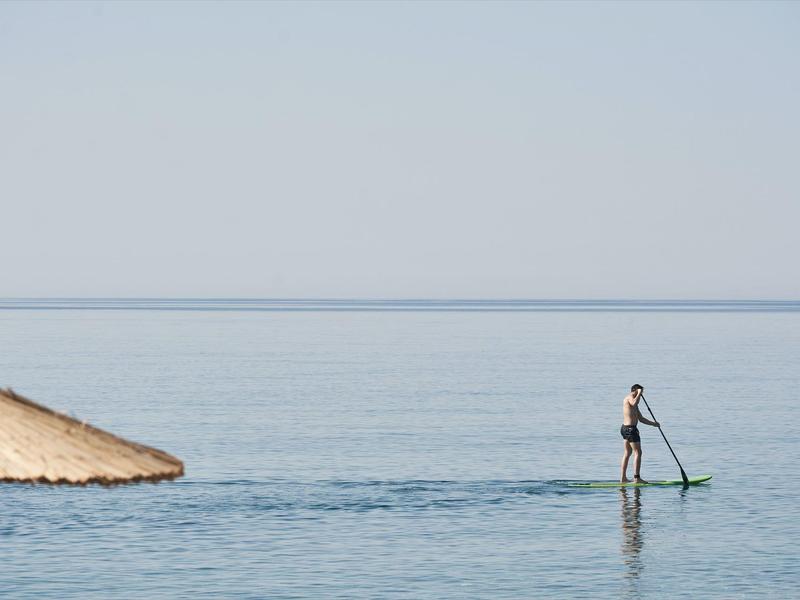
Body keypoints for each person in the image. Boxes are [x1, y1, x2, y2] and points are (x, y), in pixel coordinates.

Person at [620, 384, 659, 483]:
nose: (641, 396)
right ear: (635, 391)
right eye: (640, 394)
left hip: (626, 429)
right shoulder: (630, 398)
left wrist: (654, 424)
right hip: (630, 430)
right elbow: (633, 403)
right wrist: (639, 392)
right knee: (638, 453)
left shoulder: (634, 404)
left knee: (628, 453)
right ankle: (636, 478)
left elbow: (641, 419)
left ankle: (623, 478)